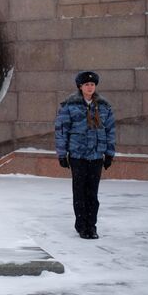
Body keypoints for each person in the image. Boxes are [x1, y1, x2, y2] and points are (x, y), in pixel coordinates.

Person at [54, 71, 116, 240]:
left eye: (92, 85)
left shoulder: (103, 106)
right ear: (80, 87)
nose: (90, 87)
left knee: (92, 194)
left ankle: (91, 226)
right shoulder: (69, 105)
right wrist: (62, 154)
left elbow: (110, 130)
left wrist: (109, 153)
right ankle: (82, 225)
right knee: (80, 192)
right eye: (86, 85)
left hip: (96, 155)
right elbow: (61, 131)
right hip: (78, 156)